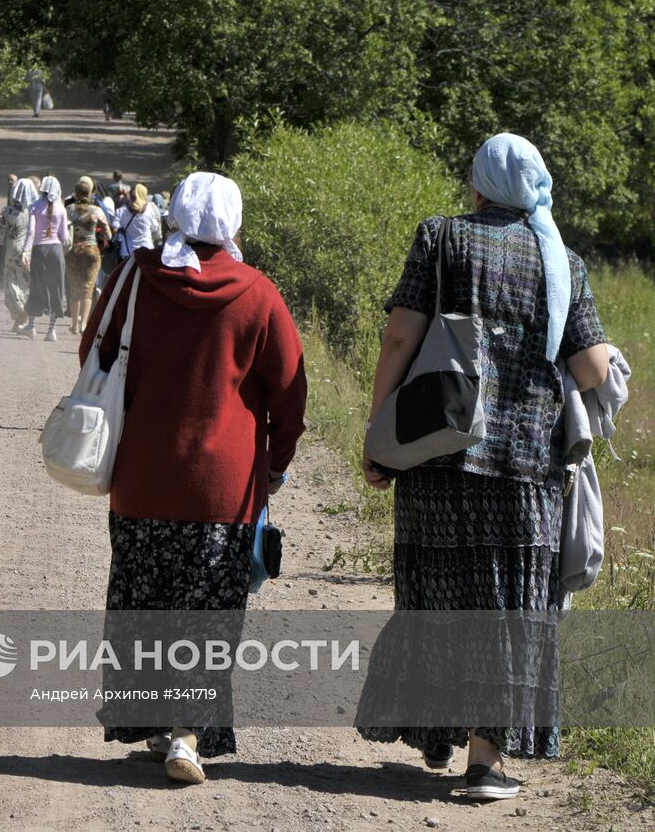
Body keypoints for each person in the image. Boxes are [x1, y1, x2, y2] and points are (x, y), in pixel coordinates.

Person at [357, 133, 611, 801]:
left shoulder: (441, 238)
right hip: (528, 469)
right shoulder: (565, 263)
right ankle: (486, 762)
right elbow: (589, 368)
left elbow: (401, 335)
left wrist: (378, 429)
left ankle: (433, 724)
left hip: (439, 450)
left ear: (478, 182)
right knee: (511, 606)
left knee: (437, 594)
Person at [83, 171, 307, 784]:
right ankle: (186, 734)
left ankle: (159, 725)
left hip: (142, 478)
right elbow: (289, 395)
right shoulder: (258, 295)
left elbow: (93, 354)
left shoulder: (135, 276)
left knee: (147, 603)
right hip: (223, 489)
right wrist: (277, 465)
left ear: (178, 212)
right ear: (232, 221)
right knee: (206, 611)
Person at [19, 175, 68, 341]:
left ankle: (31, 327)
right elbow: (65, 236)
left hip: (39, 250)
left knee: (36, 286)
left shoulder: (34, 206)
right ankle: (51, 330)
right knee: (56, 288)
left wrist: (26, 251)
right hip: (56, 250)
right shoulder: (61, 209)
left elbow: (31, 232)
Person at [65, 175, 112, 334]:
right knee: (88, 288)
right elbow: (108, 233)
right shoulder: (97, 211)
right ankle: (83, 324)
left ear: (76, 194)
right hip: (92, 252)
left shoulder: (69, 209)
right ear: (90, 193)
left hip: (74, 252)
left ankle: (73, 324)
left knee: (74, 288)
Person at [0, 177, 38, 331]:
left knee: (11, 285)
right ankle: (24, 320)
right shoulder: (36, 210)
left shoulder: (8, 212)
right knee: (27, 284)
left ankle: (21, 315)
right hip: (31, 252)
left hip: (13, 252)